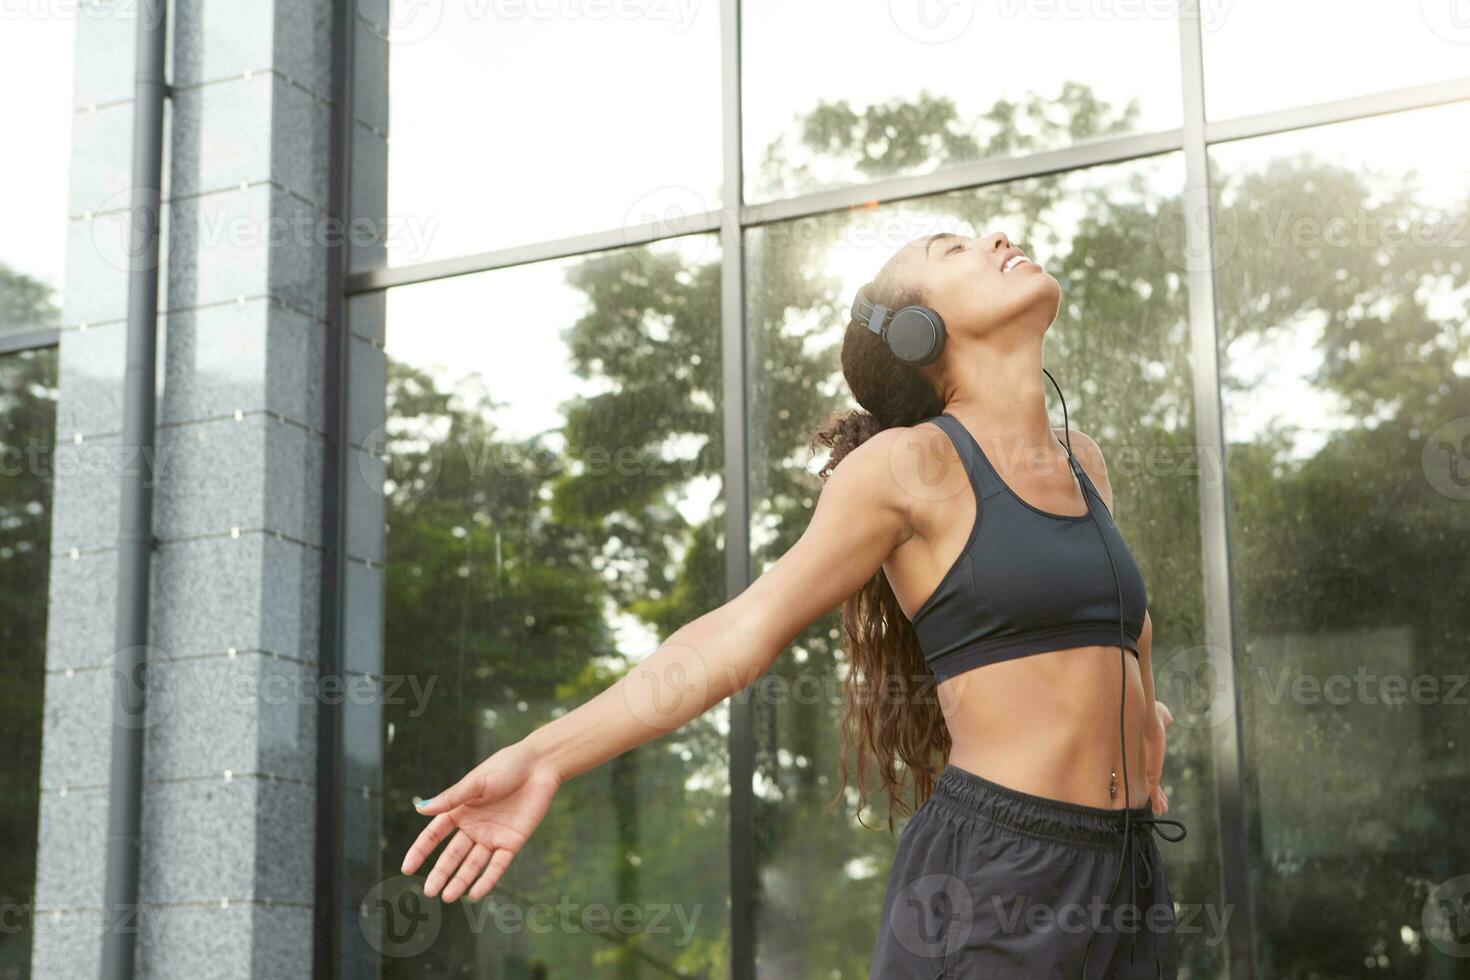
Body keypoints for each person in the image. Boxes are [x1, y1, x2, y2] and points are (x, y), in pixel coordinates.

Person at [399, 230, 1185, 978]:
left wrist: (1143, 739)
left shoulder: (1082, 461)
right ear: (918, 331)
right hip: (998, 874)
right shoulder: (905, 466)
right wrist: (543, 757)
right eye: (956, 248)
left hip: (1124, 868)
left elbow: (1125, 622)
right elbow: (740, 632)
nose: (998, 240)